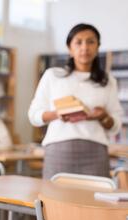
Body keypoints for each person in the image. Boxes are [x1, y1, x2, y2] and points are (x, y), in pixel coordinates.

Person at [28, 23, 124, 179]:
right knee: (55, 199)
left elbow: (115, 125)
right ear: (69, 48)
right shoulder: (52, 76)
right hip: (59, 149)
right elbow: (34, 115)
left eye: (90, 42)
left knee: (94, 199)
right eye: (78, 42)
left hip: (95, 150)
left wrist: (102, 116)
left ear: (98, 47)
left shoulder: (108, 81)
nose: (84, 47)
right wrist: (57, 114)